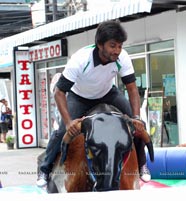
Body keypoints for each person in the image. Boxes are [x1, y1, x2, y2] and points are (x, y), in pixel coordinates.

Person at [37, 20, 151, 187]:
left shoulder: (123, 57)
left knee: (139, 125)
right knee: (62, 130)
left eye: (120, 46)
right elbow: (59, 92)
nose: (117, 51)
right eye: (113, 46)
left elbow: (132, 90)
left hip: (108, 94)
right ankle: (45, 169)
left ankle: (142, 165)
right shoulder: (80, 60)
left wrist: (135, 117)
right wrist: (69, 123)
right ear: (99, 44)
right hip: (79, 96)